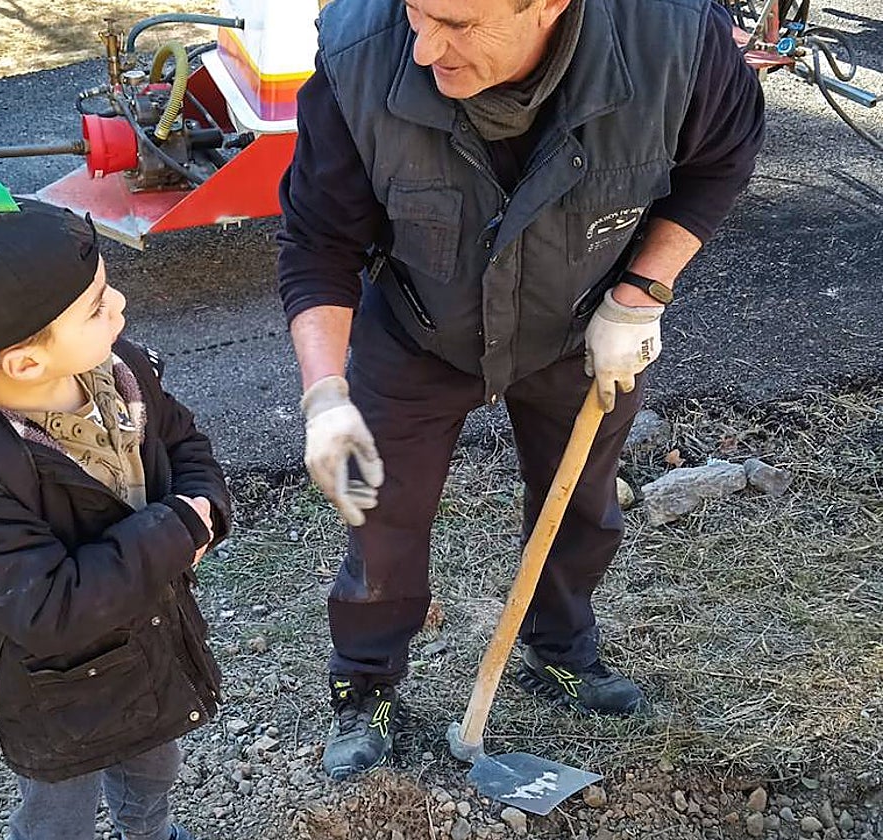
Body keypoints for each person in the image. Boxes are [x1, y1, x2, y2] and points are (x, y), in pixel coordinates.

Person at [277, 0, 765, 780]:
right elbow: (318, 240)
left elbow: (722, 161)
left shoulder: (674, 39)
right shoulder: (359, 53)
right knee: (382, 513)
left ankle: (560, 649)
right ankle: (365, 683)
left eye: (456, 24)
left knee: (581, 501)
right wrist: (325, 395)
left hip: (585, 321)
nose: (424, 46)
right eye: (415, 12)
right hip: (419, 324)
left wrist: (641, 293)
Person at [0, 182, 230, 840]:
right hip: (57, 690)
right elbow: (42, 608)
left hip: (148, 639)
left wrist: (204, 504)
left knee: (155, 767)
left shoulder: (119, 371)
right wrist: (176, 531)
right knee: (58, 815)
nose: (119, 305)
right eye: (98, 305)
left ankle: (149, 835)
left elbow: (181, 440)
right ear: (24, 361)